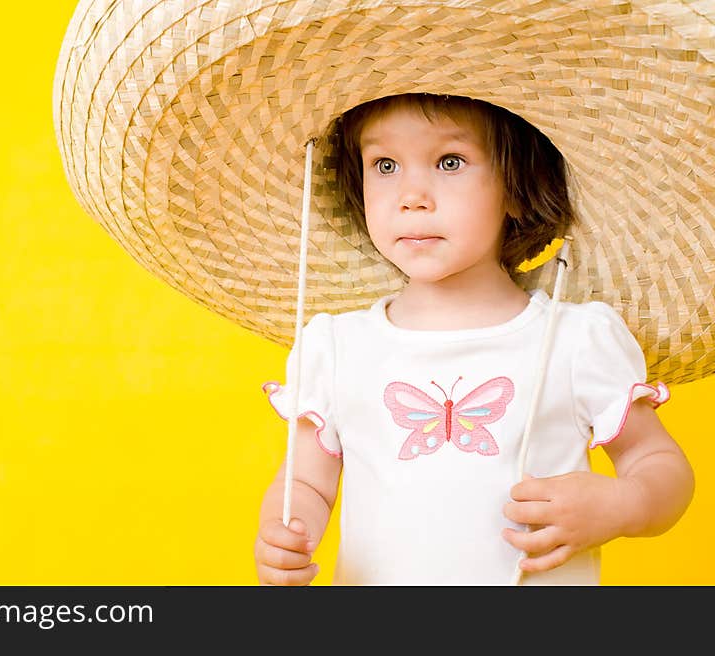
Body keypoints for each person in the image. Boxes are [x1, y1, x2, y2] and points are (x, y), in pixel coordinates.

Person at [253, 93, 695, 585]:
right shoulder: (337, 347)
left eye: (449, 161)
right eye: (384, 165)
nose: (411, 195)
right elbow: (307, 483)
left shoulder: (573, 340)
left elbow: (654, 461)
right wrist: (284, 531)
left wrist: (624, 504)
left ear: (515, 186)